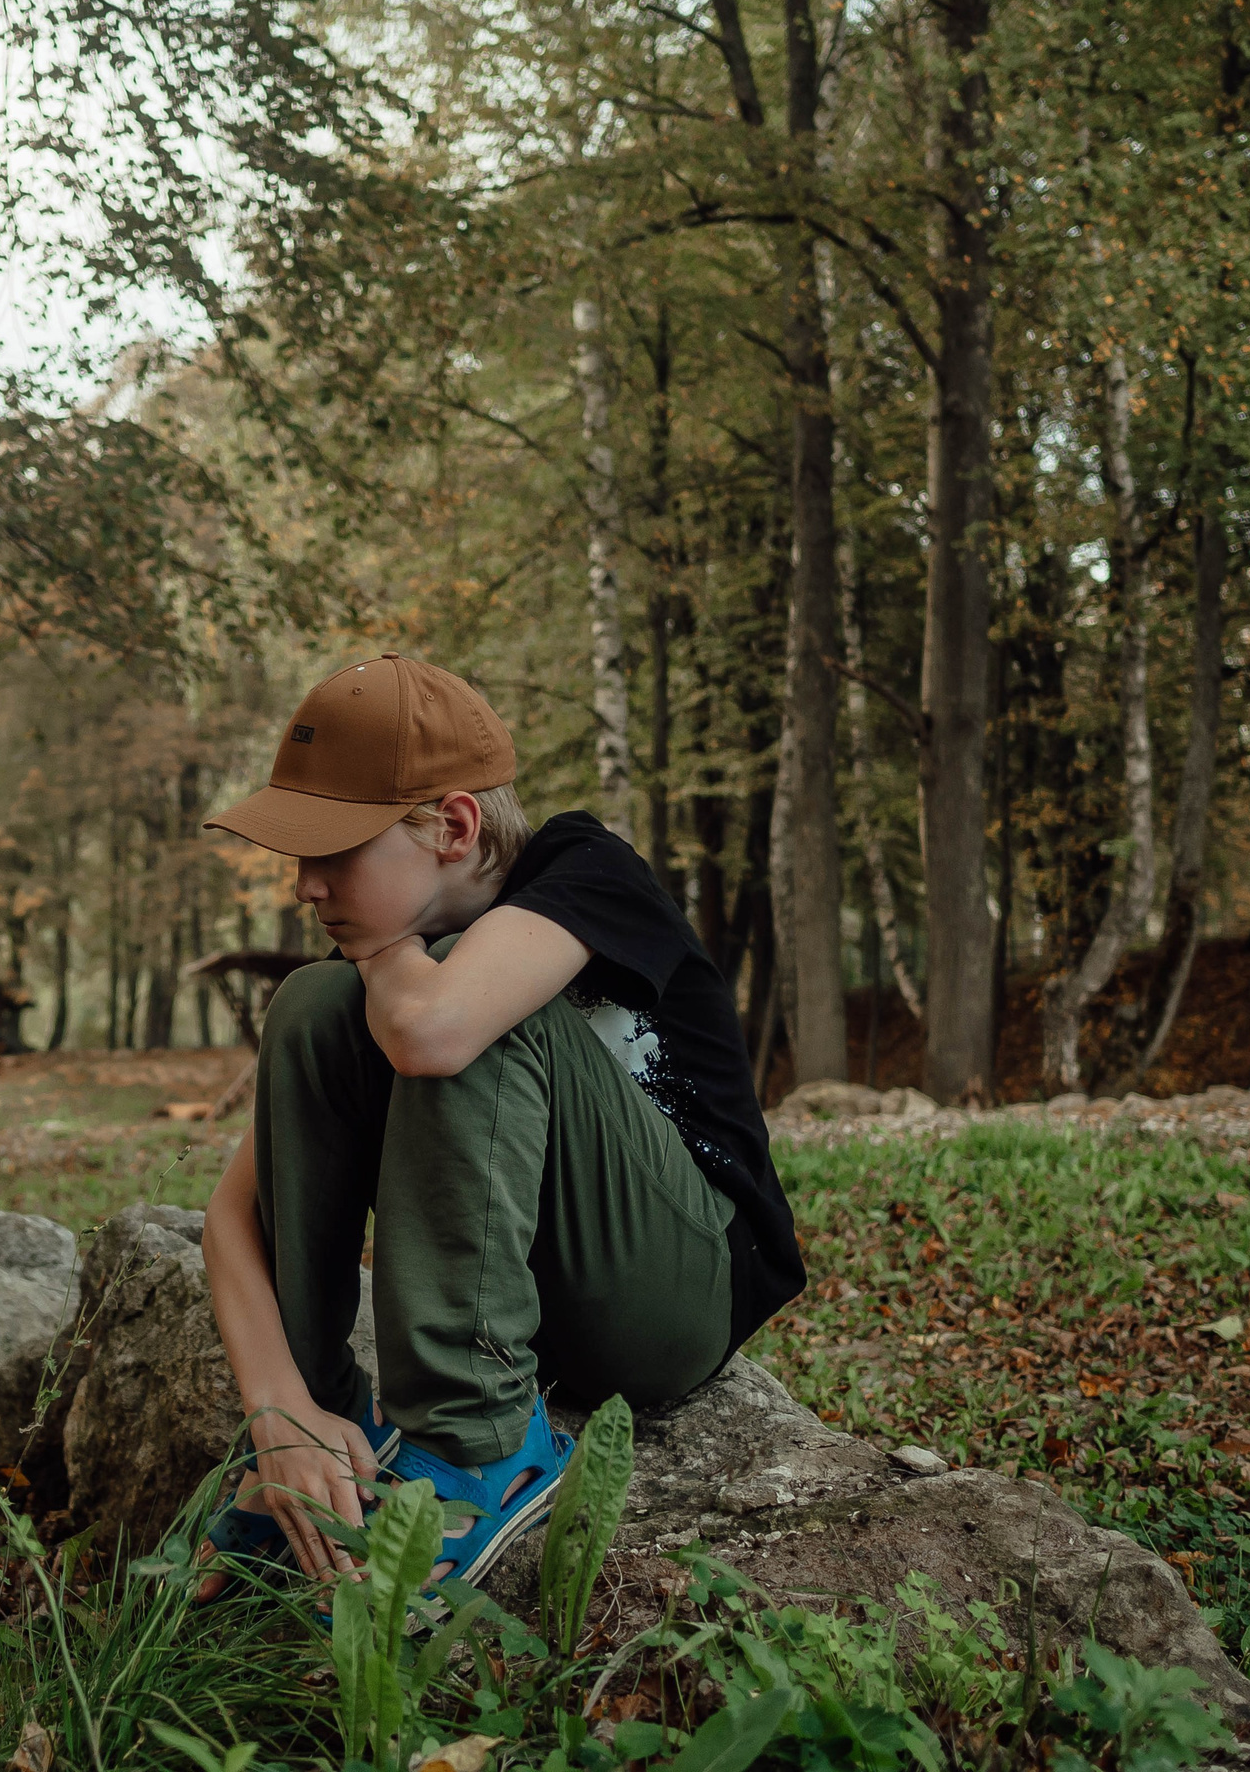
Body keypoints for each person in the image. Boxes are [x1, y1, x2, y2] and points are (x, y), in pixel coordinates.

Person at [193, 652, 805, 1603]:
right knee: (313, 1005)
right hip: (534, 1296)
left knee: (453, 1016)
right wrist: (281, 1410)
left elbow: (437, 1030)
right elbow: (233, 1220)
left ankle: (475, 1438)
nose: (304, 886)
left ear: (454, 824)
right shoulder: (376, 966)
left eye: (334, 851)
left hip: (677, 1289)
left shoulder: (589, 871)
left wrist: (392, 947)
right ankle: (335, 1439)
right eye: (298, 855)